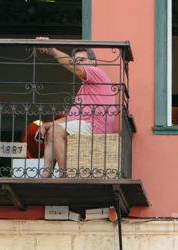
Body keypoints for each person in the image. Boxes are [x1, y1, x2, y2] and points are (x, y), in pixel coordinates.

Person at [28, 46, 121, 177]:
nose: (78, 63)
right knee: (51, 131)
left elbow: (73, 67)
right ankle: (46, 172)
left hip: (96, 126)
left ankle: (64, 173)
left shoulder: (97, 73)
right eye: (76, 60)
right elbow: (71, 118)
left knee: (55, 131)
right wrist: (45, 125)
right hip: (86, 124)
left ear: (93, 62)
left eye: (82, 60)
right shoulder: (85, 90)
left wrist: (51, 50)